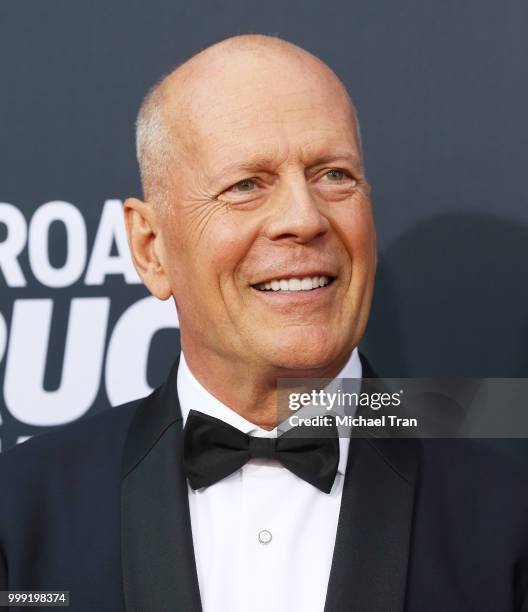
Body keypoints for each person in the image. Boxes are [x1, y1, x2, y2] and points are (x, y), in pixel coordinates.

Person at [1, 34, 527, 612]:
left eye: (334, 175)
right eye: (246, 185)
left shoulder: (507, 519)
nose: (304, 218)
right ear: (151, 249)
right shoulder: (20, 512)